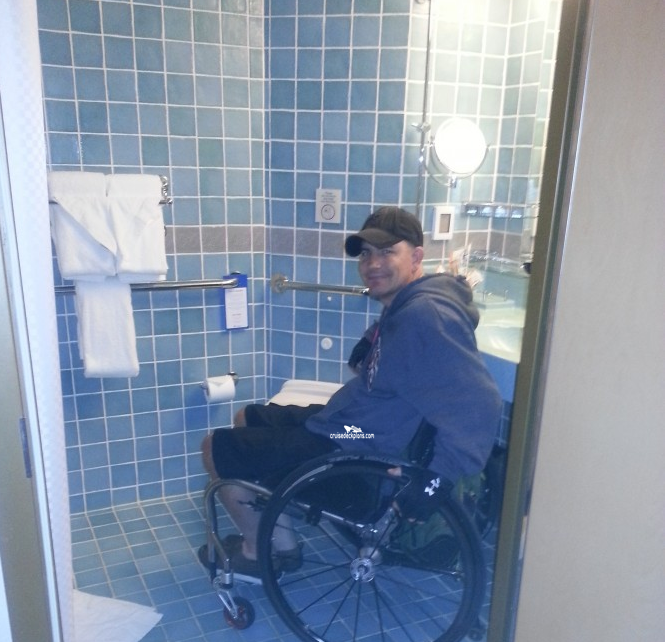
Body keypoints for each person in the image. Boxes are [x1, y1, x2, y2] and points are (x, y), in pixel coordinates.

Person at [201, 206, 502, 580]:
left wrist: (436, 481)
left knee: (215, 448)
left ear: (416, 257)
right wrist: (372, 341)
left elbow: (480, 403)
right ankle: (278, 536)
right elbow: (412, 354)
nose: (372, 264)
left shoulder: (425, 316)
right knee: (247, 417)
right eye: (366, 254)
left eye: (387, 252)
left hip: (359, 443)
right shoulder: (415, 300)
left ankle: (262, 553)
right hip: (352, 424)